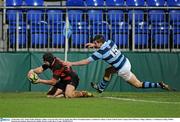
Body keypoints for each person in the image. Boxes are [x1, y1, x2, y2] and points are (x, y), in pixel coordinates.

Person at [64, 35, 174, 93]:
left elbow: (86, 61)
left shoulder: (100, 52)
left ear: (99, 42)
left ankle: (159, 85)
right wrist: (94, 45)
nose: (95, 44)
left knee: (138, 84)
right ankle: (101, 88)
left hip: (122, 69)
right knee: (108, 71)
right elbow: (102, 45)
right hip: (125, 61)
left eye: (95, 43)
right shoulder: (111, 42)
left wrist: (71, 63)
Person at [27, 52, 93, 98]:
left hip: (72, 79)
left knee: (69, 95)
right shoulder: (51, 61)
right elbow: (40, 69)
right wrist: (32, 71)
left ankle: (83, 93)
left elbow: (53, 82)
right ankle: (64, 92)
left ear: (47, 61)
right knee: (50, 95)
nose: (44, 62)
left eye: (44, 61)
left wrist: (39, 80)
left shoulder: (57, 66)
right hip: (63, 81)